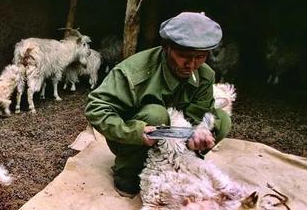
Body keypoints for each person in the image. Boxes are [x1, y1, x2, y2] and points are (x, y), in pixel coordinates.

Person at [84, 12, 231, 197]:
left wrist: (200, 132)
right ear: (166, 48)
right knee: (156, 114)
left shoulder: (205, 74)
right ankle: (127, 173)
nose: (191, 65)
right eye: (184, 56)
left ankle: (181, 166)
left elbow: (201, 113)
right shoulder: (134, 72)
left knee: (222, 120)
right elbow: (95, 108)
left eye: (200, 57)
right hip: (131, 139)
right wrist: (136, 133)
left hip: (178, 138)